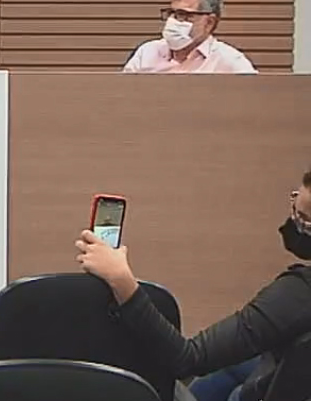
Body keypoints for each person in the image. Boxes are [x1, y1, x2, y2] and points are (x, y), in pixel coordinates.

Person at [75, 166, 311, 401]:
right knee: (234, 365)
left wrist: (122, 281)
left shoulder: (298, 295)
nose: (294, 225)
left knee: (158, 380)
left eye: (304, 221)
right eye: (294, 207)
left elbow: (187, 359)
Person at [122, 0, 257, 74]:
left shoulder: (230, 62)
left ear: (209, 22)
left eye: (183, 15)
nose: (173, 21)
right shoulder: (147, 52)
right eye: (172, 13)